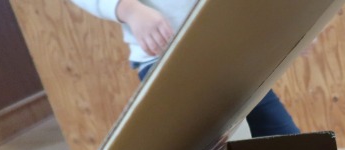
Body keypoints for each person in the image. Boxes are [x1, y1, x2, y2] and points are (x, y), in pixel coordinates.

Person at [70, 0, 301, 137]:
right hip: (167, 59)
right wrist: (127, 8)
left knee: (286, 147)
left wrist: (283, 17)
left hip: (230, 55)